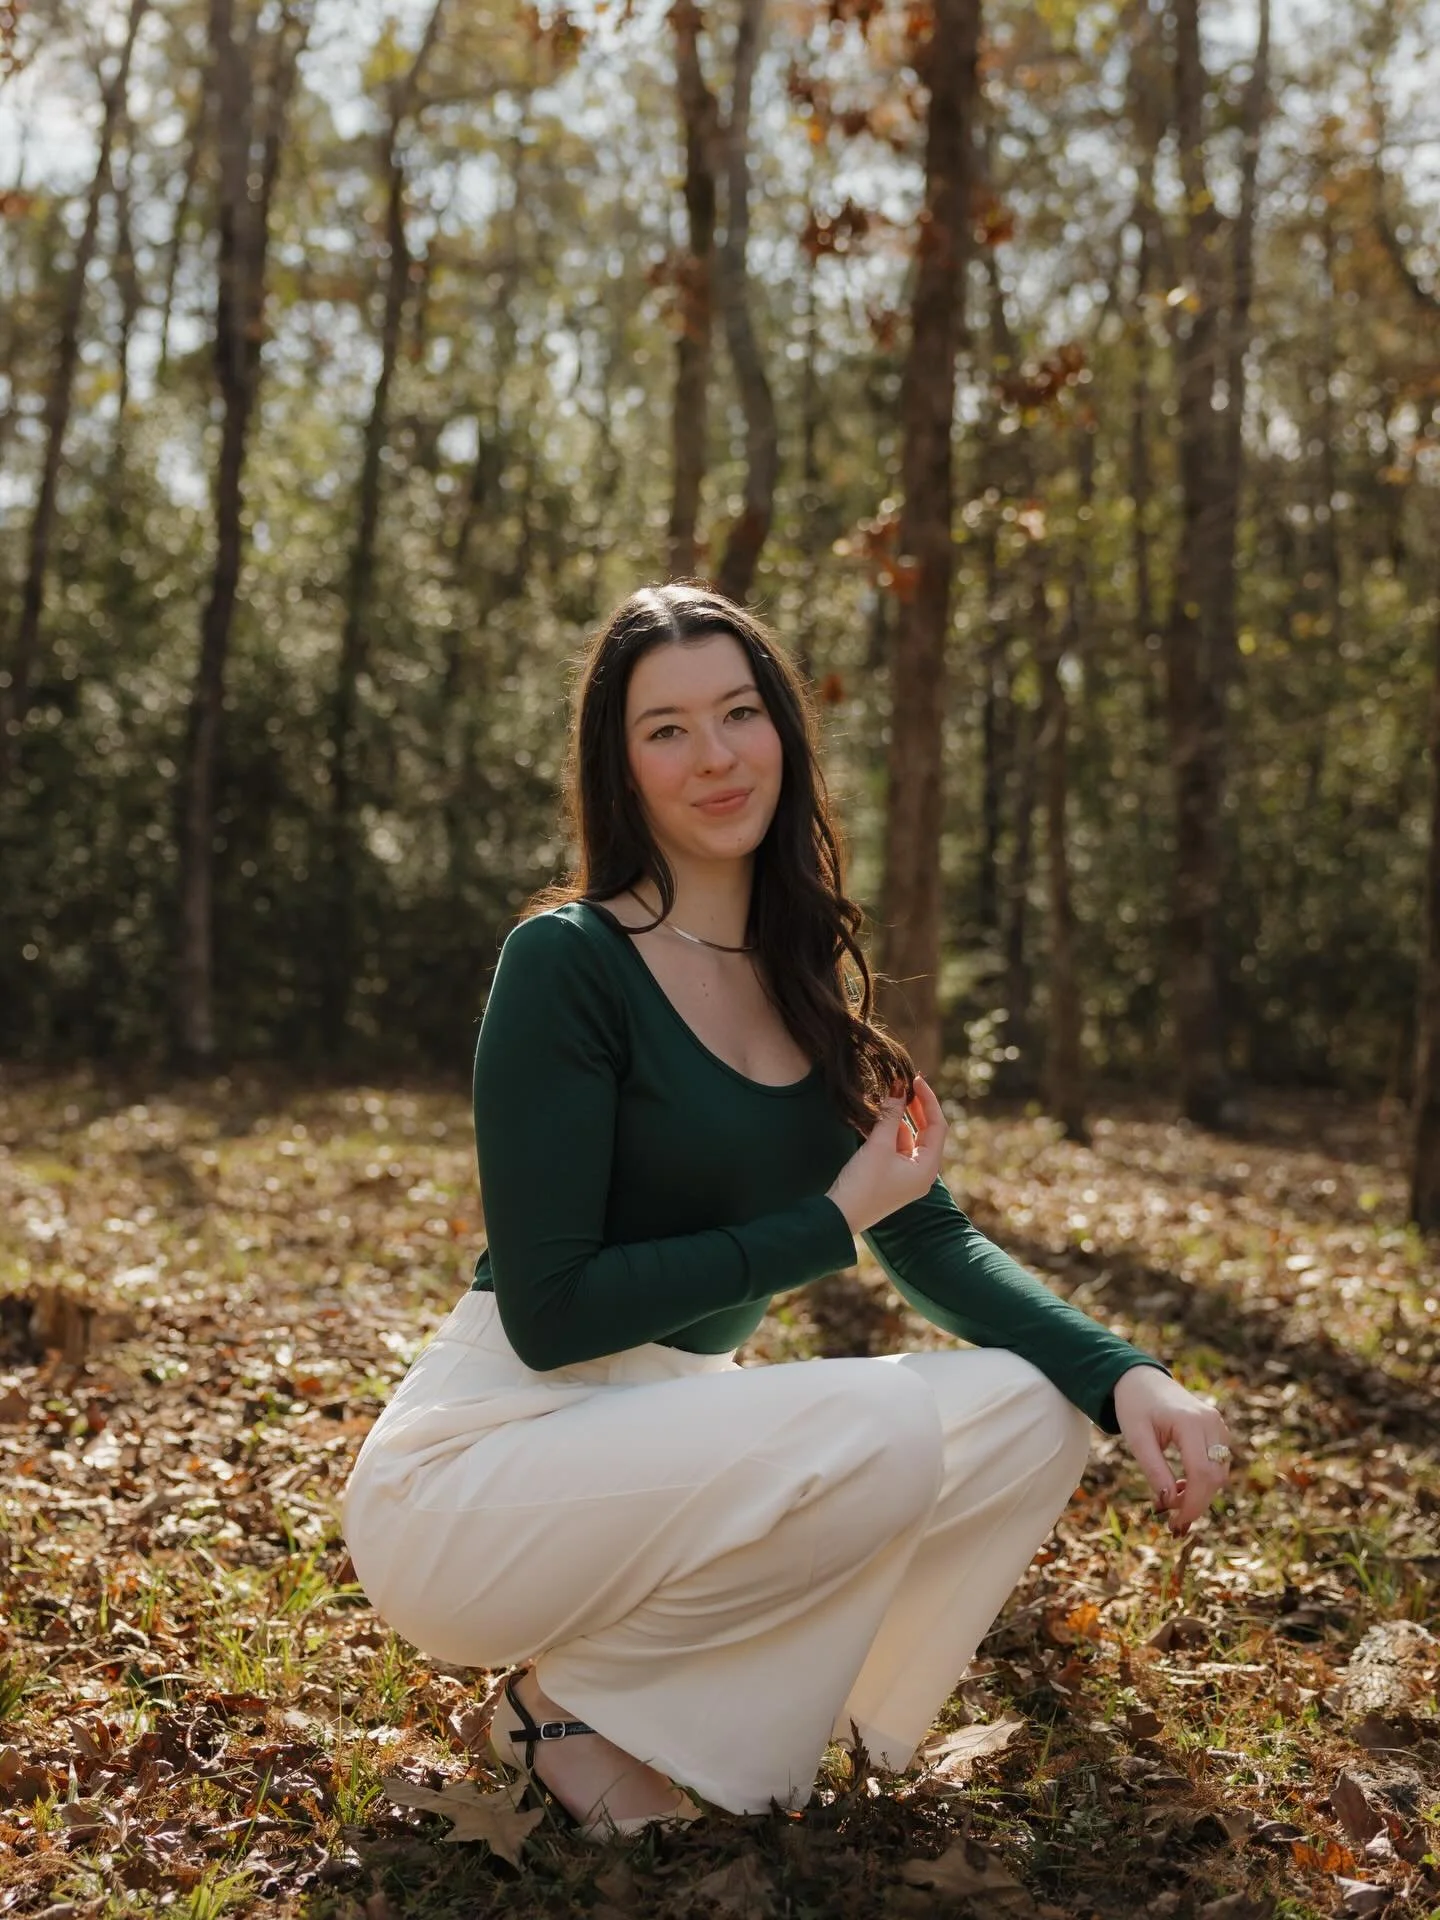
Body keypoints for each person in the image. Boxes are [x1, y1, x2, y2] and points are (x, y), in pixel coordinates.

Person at [340, 582, 1234, 1841]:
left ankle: (773, 1714)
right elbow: (549, 1317)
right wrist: (827, 1218)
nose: (712, 757)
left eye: (738, 713)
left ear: (784, 734)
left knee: (1030, 1409)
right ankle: (562, 1711)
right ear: (622, 764)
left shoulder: (803, 988)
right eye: (665, 729)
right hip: (482, 1472)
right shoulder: (568, 961)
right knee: (870, 1419)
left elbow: (926, 1235)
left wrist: (1123, 1375)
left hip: (665, 1444)